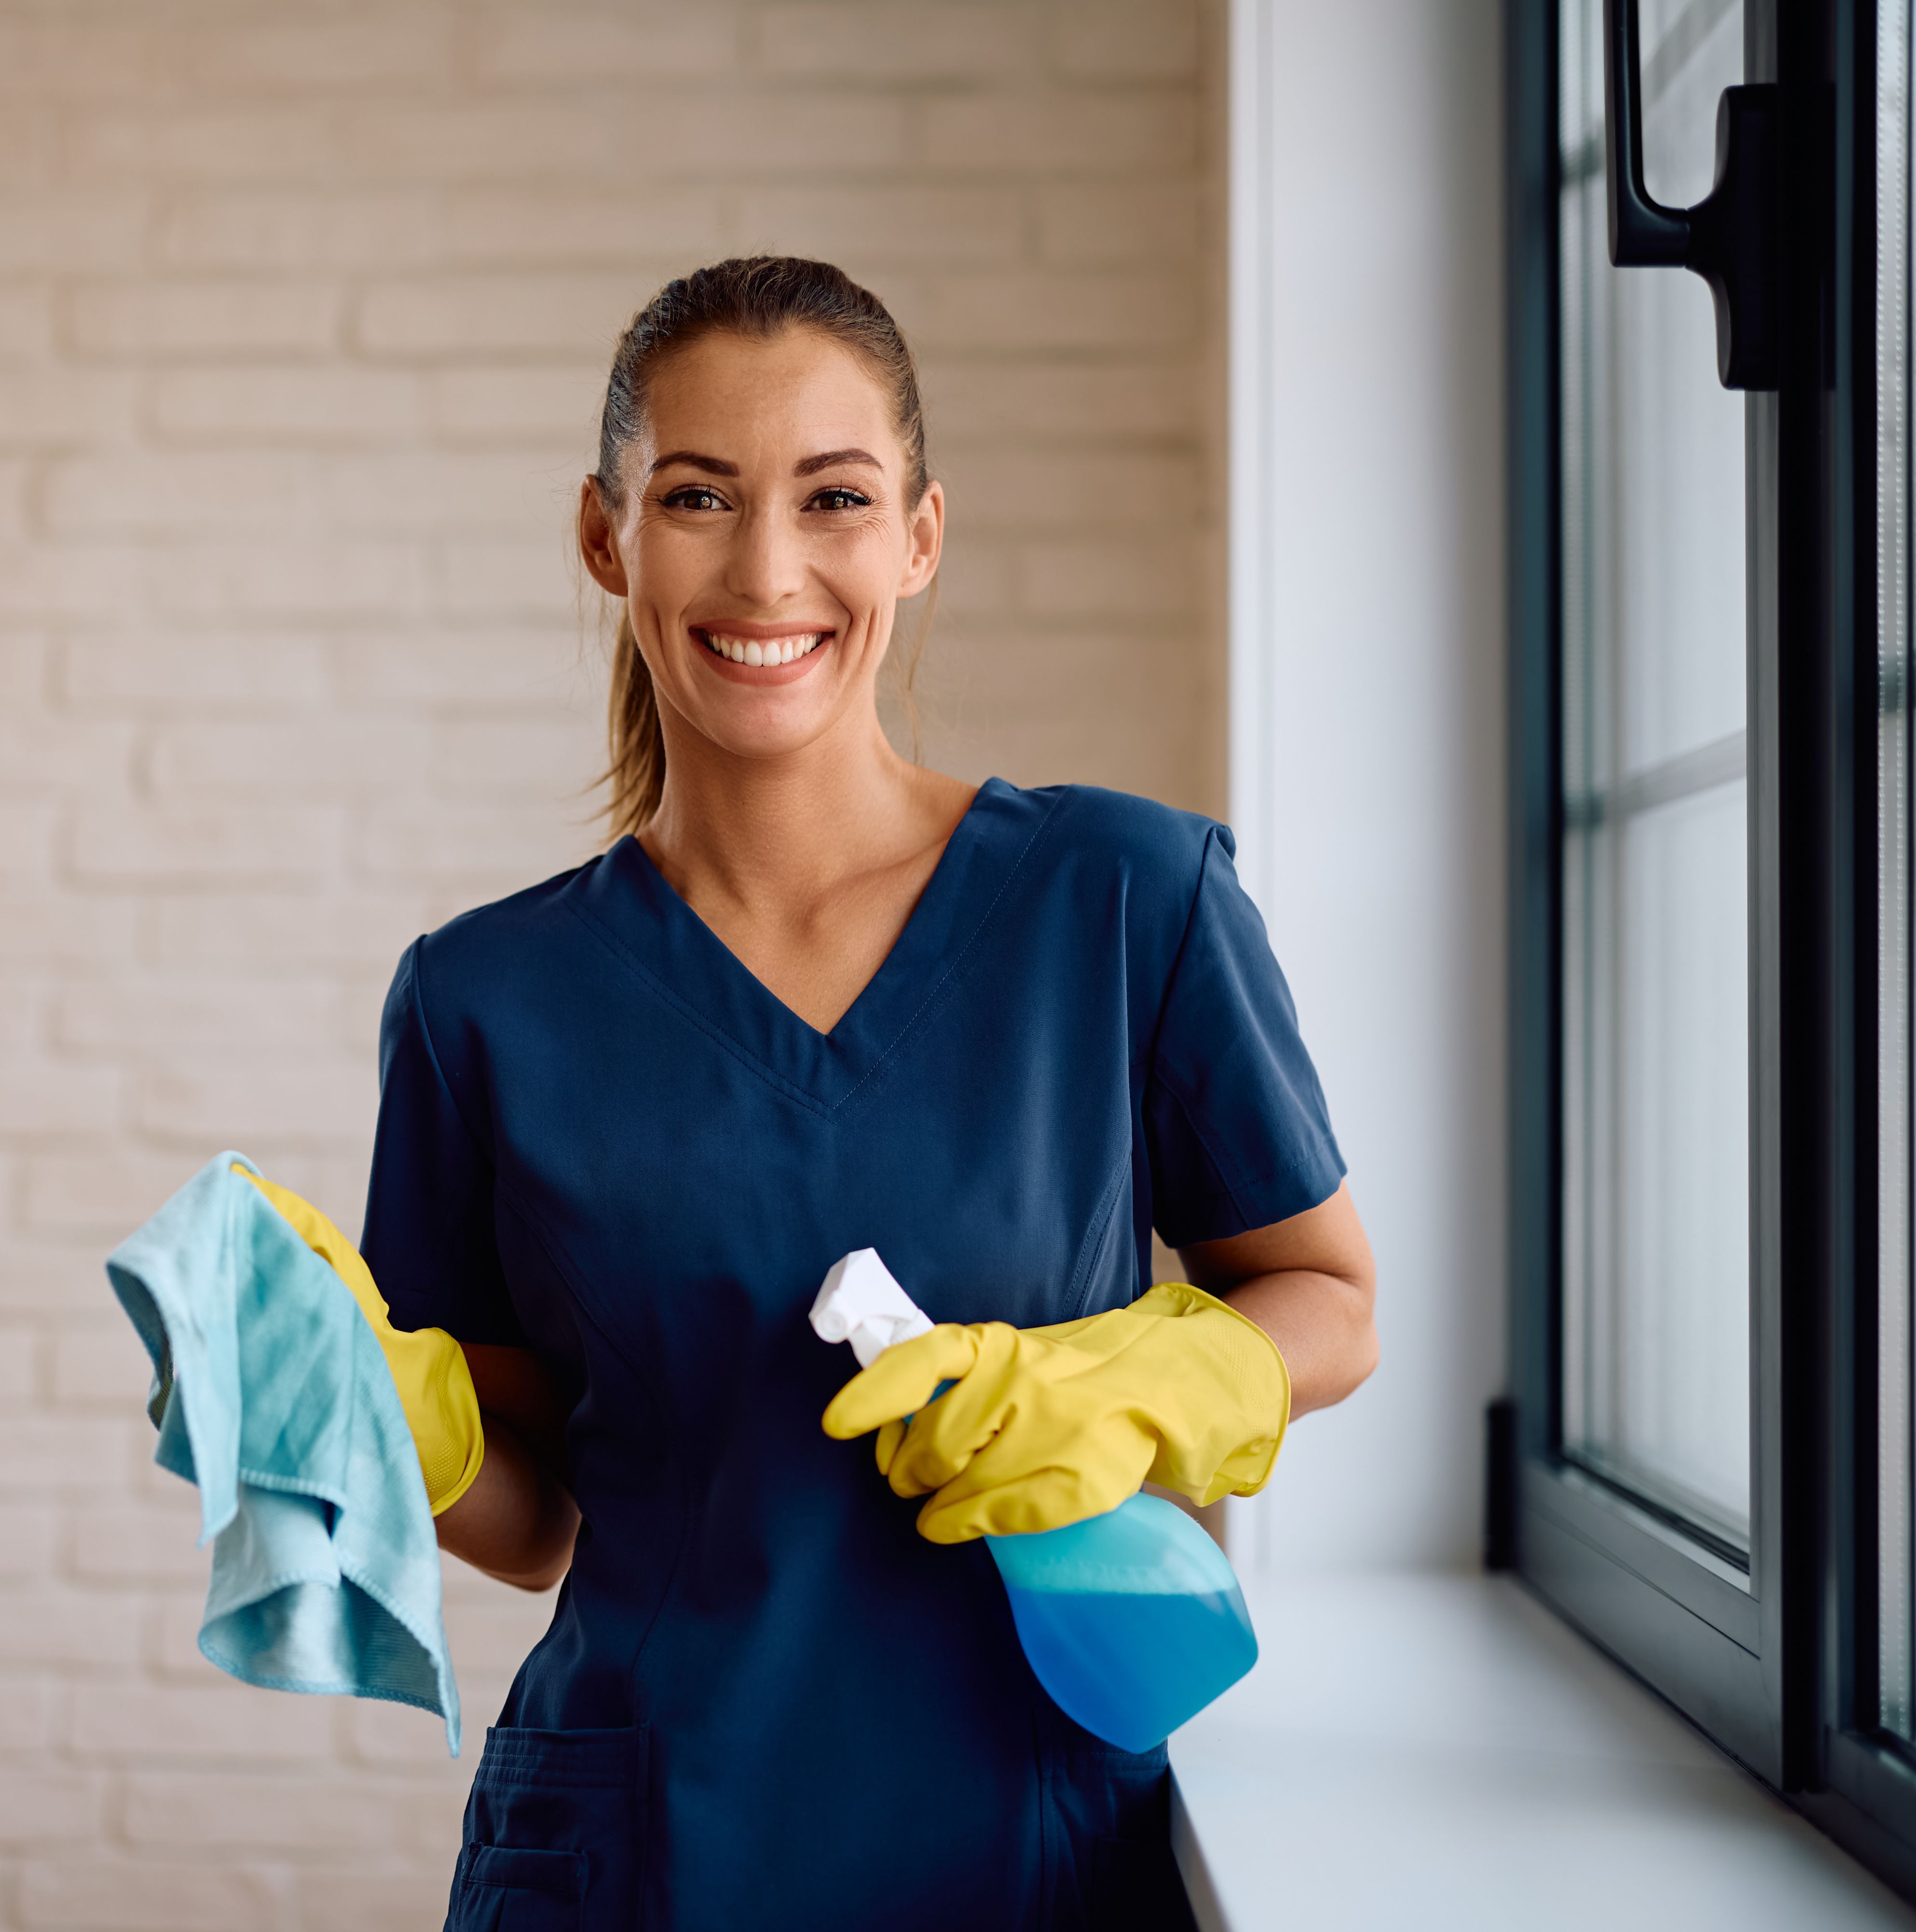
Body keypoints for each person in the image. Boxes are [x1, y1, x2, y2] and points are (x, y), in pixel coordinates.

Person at [359, 257, 1377, 1931]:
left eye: (835, 497)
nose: (767, 567)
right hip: (632, 1864)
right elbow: (536, 1524)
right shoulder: (481, 1001)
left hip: (1026, 1855)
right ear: (608, 537)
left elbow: (1331, 1299)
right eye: (696, 495)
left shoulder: (1128, 901)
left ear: (918, 536)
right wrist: (383, 1427)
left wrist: (1136, 1384)